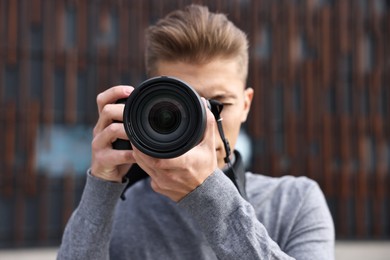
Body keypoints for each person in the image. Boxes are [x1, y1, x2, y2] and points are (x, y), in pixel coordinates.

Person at [57, 4, 334, 259]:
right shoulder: (117, 214)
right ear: (145, 107)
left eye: (217, 105)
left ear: (246, 104)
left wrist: (208, 195)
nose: (204, 127)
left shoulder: (294, 203)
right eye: (179, 109)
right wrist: (100, 189)